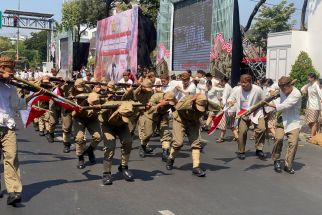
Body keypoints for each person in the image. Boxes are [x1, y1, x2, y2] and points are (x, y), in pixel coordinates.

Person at [0, 56, 43, 205]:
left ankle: (14, 191)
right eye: (8, 70)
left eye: (12, 70)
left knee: (11, 157)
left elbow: (16, 105)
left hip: (8, 127)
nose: (12, 73)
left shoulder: (11, 87)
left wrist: (33, 95)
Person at [166, 94, 221, 177]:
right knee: (178, 143)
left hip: (193, 123)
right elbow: (178, 107)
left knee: (196, 143)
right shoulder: (187, 100)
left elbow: (217, 108)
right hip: (180, 121)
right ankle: (171, 158)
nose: (201, 109)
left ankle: (196, 167)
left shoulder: (205, 103)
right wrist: (190, 101)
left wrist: (209, 105)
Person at [267, 76, 302, 174]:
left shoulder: (296, 94)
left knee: (293, 143)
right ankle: (276, 160)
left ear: (290, 85)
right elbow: (274, 89)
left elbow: (285, 105)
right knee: (278, 139)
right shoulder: (282, 89)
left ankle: (288, 165)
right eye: (281, 88)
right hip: (282, 118)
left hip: (293, 121)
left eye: (284, 88)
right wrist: (272, 93)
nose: (283, 90)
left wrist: (270, 105)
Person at [228, 74, 266, 160]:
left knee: (262, 129)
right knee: (242, 132)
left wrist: (267, 111)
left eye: (245, 83)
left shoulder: (257, 89)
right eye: (241, 83)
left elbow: (264, 100)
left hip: (256, 112)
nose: (243, 85)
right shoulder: (237, 90)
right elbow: (230, 98)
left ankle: (259, 149)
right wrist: (230, 102)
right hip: (243, 113)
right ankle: (241, 151)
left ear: (250, 82)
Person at [68, 79, 102, 169]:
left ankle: (90, 151)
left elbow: (98, 99)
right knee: (79, 138)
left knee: (98, 137)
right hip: (79, 117)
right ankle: (80, 157)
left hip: (92, 118)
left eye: (82, 87)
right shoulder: (72, 91)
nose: (81, 89)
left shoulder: (89, 89)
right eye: (78, 87)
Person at [100, 102, 136, 185]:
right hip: (107, 125)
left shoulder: (129, 108)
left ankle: (124, 167)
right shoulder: (106, 109)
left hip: (122, 126)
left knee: (128, 142)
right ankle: (106, 173)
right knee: (110, 147)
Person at [140, 91, 176, 161]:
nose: (168, 103)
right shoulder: (155, 97)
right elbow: (150, 110)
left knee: (165, 134)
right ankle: (143, 146)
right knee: (148, 134)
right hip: (151, 116)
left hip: (163, 116)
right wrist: (159, 104)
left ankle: (165, 152)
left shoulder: (172, 99)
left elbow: (174, 108)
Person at [301, 73, 322, 141]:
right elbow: (302, 88)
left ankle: (312, 136)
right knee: (308, 121)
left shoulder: (316, 85)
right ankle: (315, 135)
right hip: (309, 105)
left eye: (309, 78)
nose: (308, 79)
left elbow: (320, 93)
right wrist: (304, 91)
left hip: (315, 106)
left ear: (313, 78)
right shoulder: (309, 84)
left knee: (313, 122)